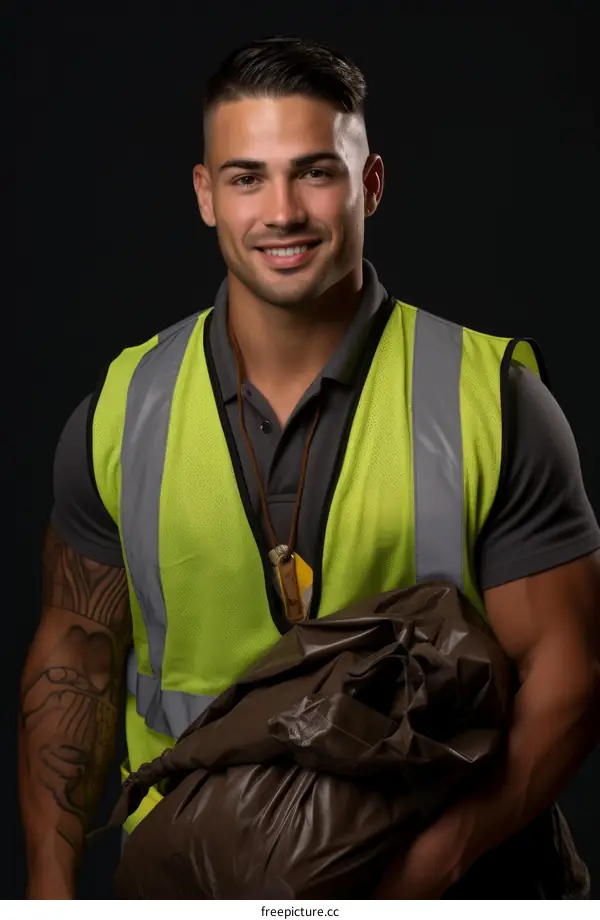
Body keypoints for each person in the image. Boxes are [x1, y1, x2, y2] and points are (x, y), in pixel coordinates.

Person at [19, 35, 600, 900]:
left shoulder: (494, 400)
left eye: (315, 172)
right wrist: (51, 894)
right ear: (206, 196)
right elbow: (77, 655)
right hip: (196, 878)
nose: (281, 210)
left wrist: (429, 871)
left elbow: (569, 669)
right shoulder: (122, 409)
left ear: (370, 184)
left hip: (454, 881)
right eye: (247, 177)